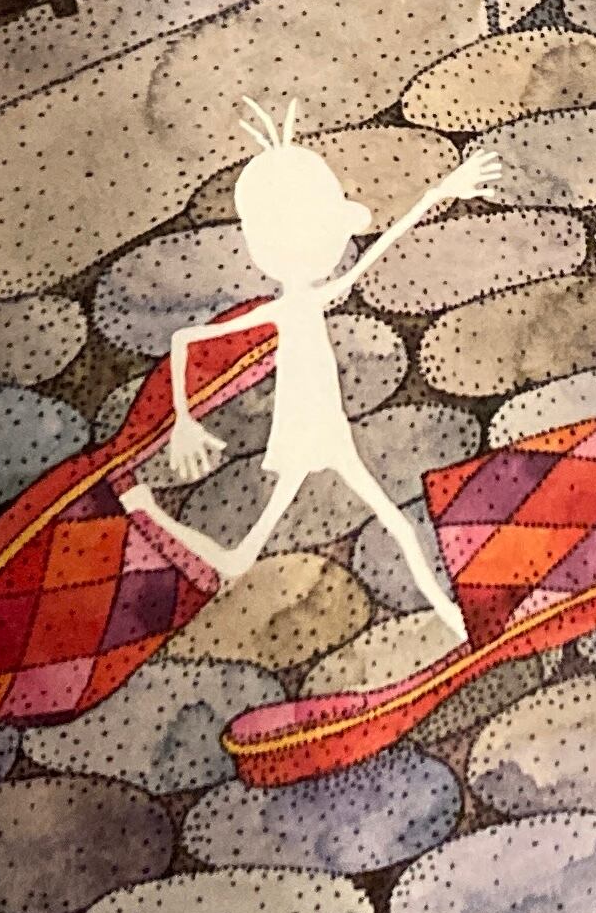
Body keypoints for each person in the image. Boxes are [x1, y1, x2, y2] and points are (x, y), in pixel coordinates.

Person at [121, 107, 493, 642]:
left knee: (389, 523)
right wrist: (183, 421)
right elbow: (185, 340)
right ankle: (147, 510)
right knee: (253, 554)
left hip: (326, 428)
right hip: (305, 431)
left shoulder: (302, 301)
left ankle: (453, 618)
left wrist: (443, 191)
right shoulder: (297, 304)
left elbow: (378, 250)